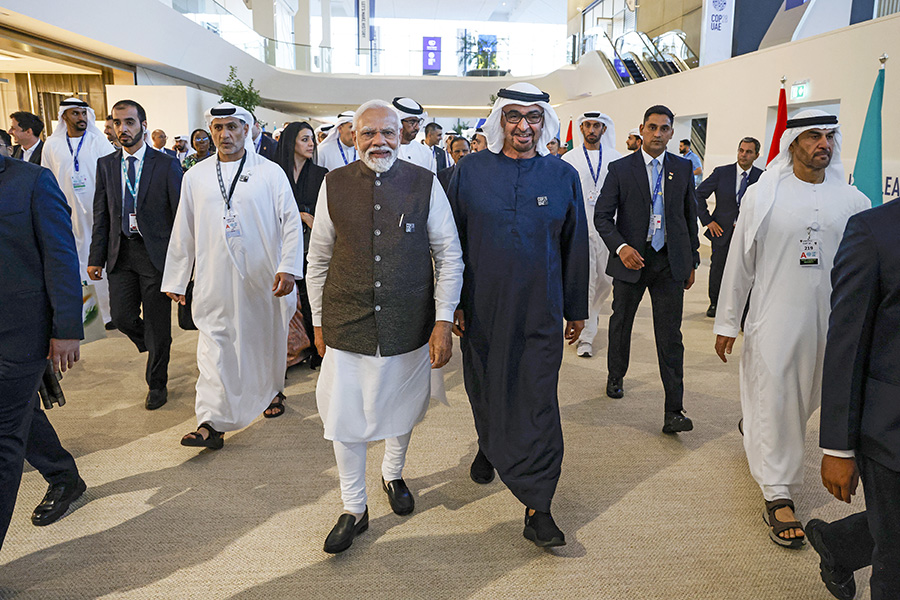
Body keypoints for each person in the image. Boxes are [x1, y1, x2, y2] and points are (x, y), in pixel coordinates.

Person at [307, 99, 463, 554]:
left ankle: (393, 473)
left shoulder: (425, 183)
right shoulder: (332, 184)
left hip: (408, 320)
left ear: (403, 134)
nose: (379, 141)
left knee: (403, 406)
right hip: (346, 318)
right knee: (343, 416)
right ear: (352, 137)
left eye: (388, 132)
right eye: (368, 133)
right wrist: (317, 321)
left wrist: (442, 320)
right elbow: (317, 259)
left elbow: (449, 255)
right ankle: (354, 508)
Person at [713, 110, 870, 548]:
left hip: (836, 321)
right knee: (780, 396)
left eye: (830, 136)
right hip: (776, 317)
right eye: (814, 136)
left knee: (813, 398)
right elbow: (740, 263)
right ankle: (778, 492)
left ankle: (760, 427)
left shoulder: (854, 201)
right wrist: (728, 320)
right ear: (794, 142)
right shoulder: (764, 196)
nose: (824, 144)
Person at [448, 82, 588, 548]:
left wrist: (576, 308)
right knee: (485, 386)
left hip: (540, 309)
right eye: (513, 117)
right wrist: (453, 305)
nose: (522, 126)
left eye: (532, 118)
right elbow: (450, 246)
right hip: (482, 308)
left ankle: (538, 505)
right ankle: (490, 445)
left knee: (538, 399)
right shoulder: (469, 171)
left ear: (543, 122)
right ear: (499, 121)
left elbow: (575, 246)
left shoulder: (562, 176)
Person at [161, 102, 303, 450]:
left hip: (262, 277)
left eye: (232, 128)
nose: (225, 135)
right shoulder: (195, 176)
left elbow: (290, 223)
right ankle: (210, 421)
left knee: (263, 340)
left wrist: (288, 267)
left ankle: (271, 391)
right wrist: (178, 279)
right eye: (218, 128)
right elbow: (185, 229)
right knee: (213, 347)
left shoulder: (270, 173)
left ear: (247, 129)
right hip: (214, 279)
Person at [805, 199, 900, 600]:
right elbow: (847, 343)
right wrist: (837, 447)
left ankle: (839, 545)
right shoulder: (874, 232)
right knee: (895, 561)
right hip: (891, 433)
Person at [594, 105, 700, 433]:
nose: (657, 134)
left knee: (671, 336)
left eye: (664, 128)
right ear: (641, 129)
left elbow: (688, 215)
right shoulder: (621, 168)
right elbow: (602, 216)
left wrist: (692, 258)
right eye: (651, 127)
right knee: (621, 323)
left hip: (668, 262)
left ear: (671, 133)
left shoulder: (681, 169)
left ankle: (674, 410)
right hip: (632, 259)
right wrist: (622, 247)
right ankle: (616, 375)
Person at [0, 153, 85, 551]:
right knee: (19, 414)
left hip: (18, 332)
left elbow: (61, 255)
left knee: (3, 436)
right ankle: (63, 475)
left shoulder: (32, 181)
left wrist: (66, 327)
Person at [88, 99, 182, 411]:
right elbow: (102, 214)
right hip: (120, 254)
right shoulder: (107, 164)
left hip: (155, 254)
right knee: (123, 317)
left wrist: (182, 261)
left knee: (157, 324)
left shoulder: (166, 163)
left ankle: (157, 383)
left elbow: (180, 214)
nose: (122, 128)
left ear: (143, 123)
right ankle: (154, 347)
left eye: (129, 122)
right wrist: (94, 257)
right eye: (117, 123)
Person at [41, 97, 116, 327]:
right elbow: (47, 178)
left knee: (98, 261)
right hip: (67, 215)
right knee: (73, 262)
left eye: (84, 114)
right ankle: (86, 317)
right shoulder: (52, 145)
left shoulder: (97, 141)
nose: (81, 118)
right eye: (75, 114)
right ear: (64, 116)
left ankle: (108, 314)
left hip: (98, 213)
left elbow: (111, 175)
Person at [563, 111, 622, 358]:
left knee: (605, 282)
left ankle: (591, 317)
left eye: (596, 125)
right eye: (587, 125)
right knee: (583, 281)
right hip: (578, 230)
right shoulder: (569, 158)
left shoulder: (616, 159)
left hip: (607, 231)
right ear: (581, 128)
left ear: (604, 129)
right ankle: (586, 336)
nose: (591, 129)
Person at [275, 121, 328, 384]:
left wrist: (308, 217)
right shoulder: (274, 173)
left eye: (312, 140)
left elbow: (327, 215)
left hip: (311, 244)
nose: (310, 144)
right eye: (305, 139)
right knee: (283, 298)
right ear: (290, 143)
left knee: (309, 294)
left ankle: (314, 348)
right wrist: (297, 215)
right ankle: (284, 353)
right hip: (278, 243)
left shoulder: (321, 174)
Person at [695, 137, 762, 318]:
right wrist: (708, 221)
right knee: (718, 267)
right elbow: (697, 195)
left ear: (756, 155)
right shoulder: (722, 173)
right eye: (741, 150)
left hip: (748, 233)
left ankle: (745, 306)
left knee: (747, 270)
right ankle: (715, 303)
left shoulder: (762, 177)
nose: (743, 155)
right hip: (722, 230)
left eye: (748, 152)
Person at [393, 97, 435, 172]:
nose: (417, 127)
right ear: (398, 122)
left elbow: (432, 182)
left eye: (418, 122)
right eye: (412, 122)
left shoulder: (425, 153)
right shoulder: (385, 151)